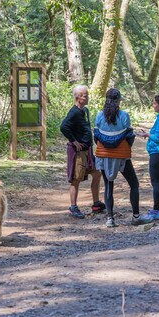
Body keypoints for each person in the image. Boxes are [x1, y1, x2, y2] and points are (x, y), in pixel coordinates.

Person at [94, 88, 153, 228]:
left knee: (108, 185)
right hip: (121, 155)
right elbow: (129, 136)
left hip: (103, 155)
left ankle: (110, 219)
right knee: (134, 184)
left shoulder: (99, 116)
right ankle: (136, 217)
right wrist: (125, 148)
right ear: (118, 101)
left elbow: (96, 137)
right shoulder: (124, 116)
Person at [60, 84, 105, 218]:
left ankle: (96, 203)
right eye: (85, 96)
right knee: (76, 179)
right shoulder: (73, 112)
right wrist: (73, 141)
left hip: (88, 150)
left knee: (97, 174)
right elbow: (63, 126)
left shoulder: (84, 110)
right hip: (78, 152)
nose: (87, 98)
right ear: (78, 97)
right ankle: (73, 207)